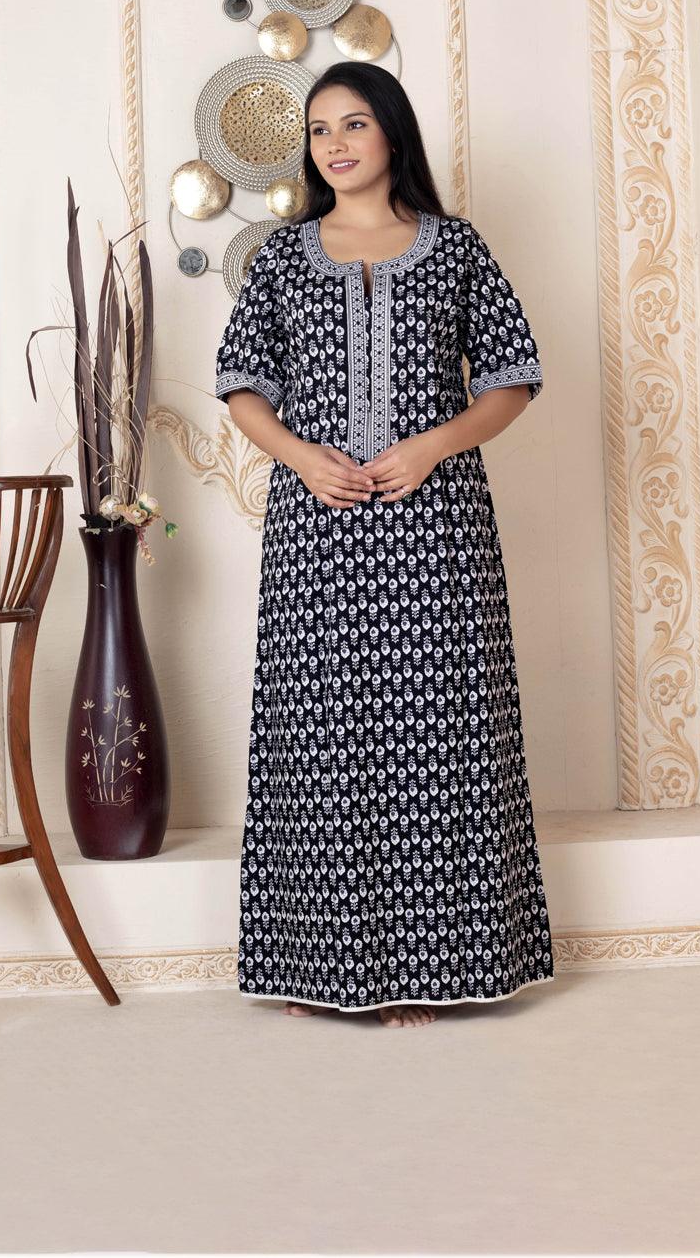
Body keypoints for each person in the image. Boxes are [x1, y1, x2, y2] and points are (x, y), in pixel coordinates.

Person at [214, 61, 553, 1028]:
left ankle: (422, 972)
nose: (335, 144)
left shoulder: (454, 248)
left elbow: (513, 376)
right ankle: (318, 968)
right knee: (319, 733)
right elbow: (242, 383)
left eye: (354, 124)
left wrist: (433, 446)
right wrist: (301, 458)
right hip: (318, 527)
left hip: (435, 526)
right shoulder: (284, 257)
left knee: (438, 733)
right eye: (320, 130)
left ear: (392, 133)